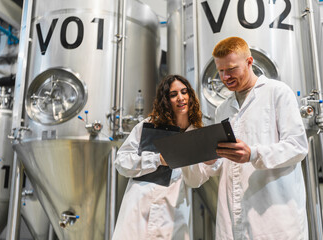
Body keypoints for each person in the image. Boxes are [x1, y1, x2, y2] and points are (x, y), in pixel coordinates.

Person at [182, 37, 309, 239]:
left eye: (231, 69)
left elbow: (298, 147)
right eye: (220, 70)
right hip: (234, 214)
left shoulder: (278, 93)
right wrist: (210, 159)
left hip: (275, 215)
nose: (225, 77)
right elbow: (227, 162)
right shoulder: (223, 108)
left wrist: (254, 153)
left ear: (250, 62)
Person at [113, 74, 203, 240]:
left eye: (184, 92)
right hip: (139, 208)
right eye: (173, 94)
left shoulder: (196, 134)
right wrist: (157, 159)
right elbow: (121, 162)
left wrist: (208, 162)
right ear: (166, 100)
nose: (181, 98)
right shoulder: (149, 125)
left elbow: (195, 180)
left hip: (172, 212)